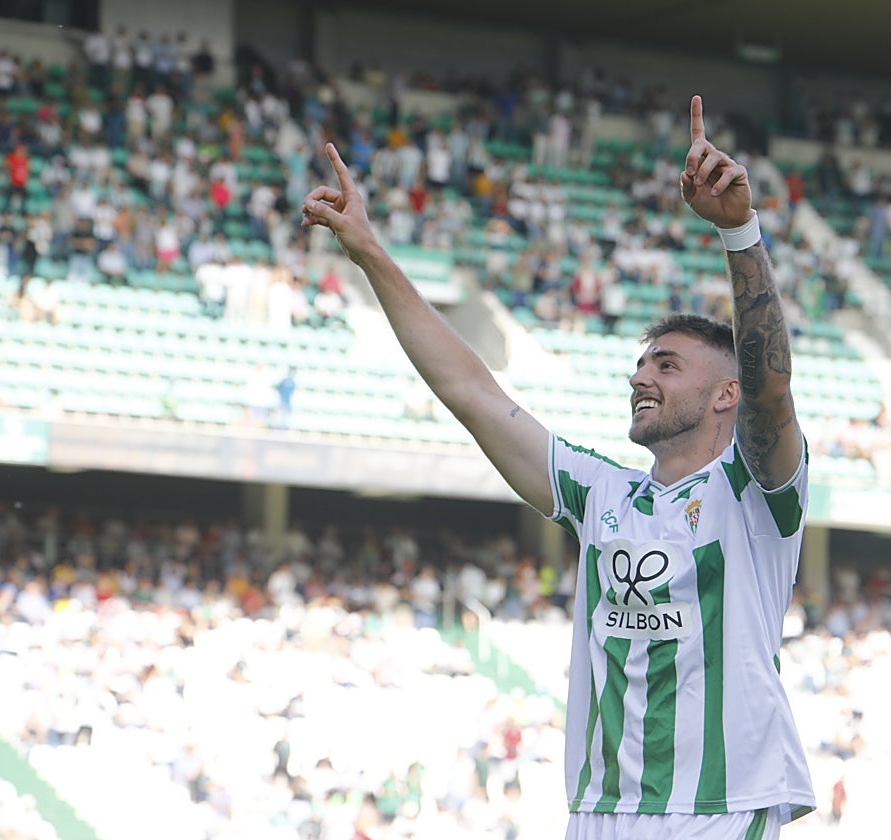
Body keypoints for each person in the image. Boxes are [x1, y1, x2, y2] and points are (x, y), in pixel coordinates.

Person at [302, 95, 815, 840]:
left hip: (720, 809)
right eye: (640, 365)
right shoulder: (598, 492)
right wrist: (371, 253)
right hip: (601, 815)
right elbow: (470, 391)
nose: (642, 378)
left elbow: (771, 386)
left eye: (667, 366)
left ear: (722, 395)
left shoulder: (757, 491)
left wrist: (738, 231)